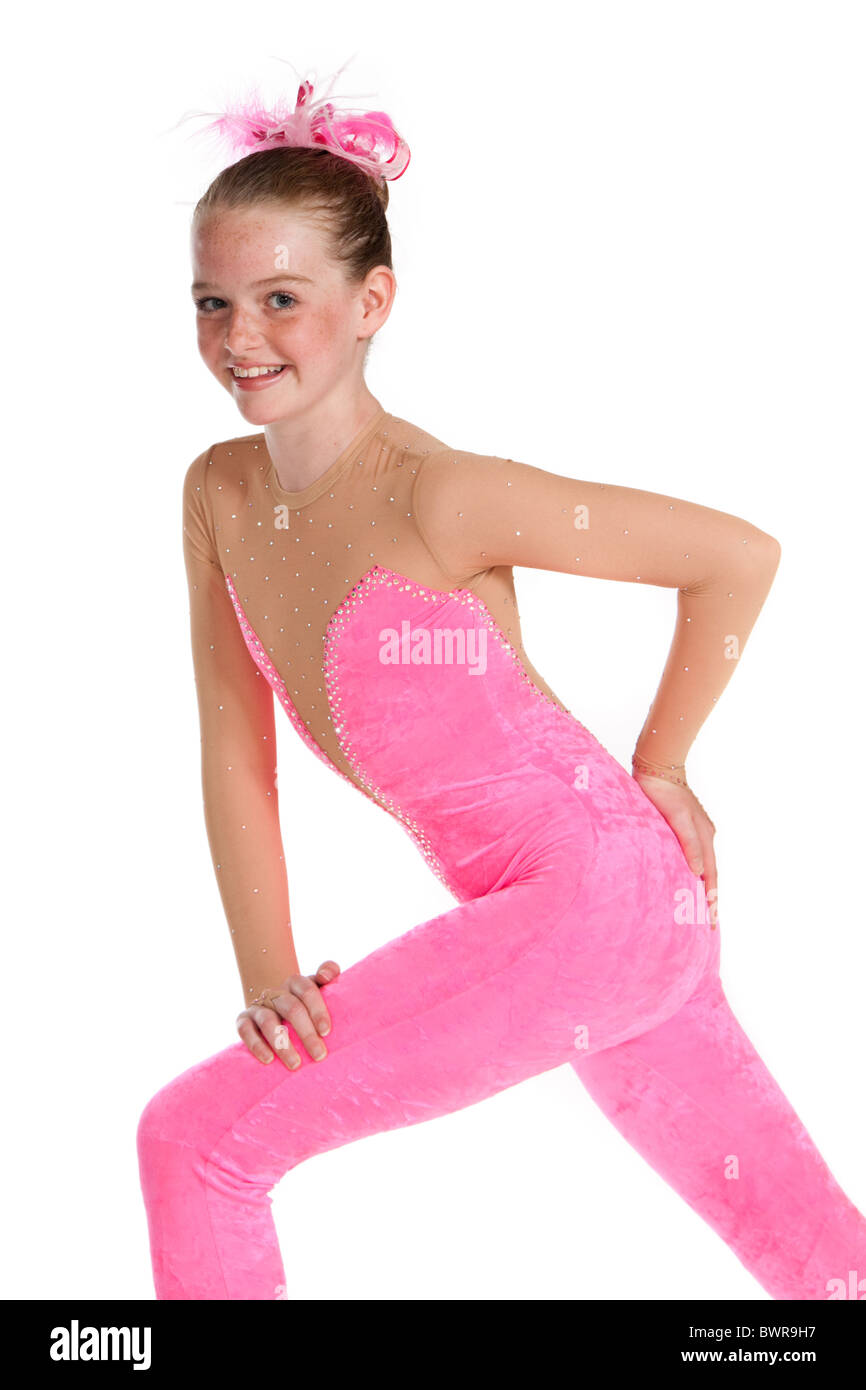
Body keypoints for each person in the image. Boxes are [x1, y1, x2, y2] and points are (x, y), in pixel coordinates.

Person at [136, 68, 866, 1301]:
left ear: (372, 302)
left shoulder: (436, 492)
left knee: (195, 1143)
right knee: (812, 1253)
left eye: (279, 300)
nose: (238, 338)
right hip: (611, 916)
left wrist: (664, 764)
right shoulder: (216, 493)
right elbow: (231, 750)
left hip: (591, 899)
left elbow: (733, 559)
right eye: (213, 302)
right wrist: (270, 968)